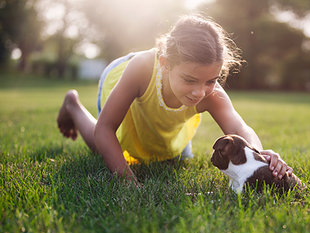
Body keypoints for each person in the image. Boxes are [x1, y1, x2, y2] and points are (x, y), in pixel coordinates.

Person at [57, 15, 293, 185]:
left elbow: (240, 128)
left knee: (168, 156)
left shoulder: (210, 92)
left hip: (168, 109)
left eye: (211, 80)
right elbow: (105, 129)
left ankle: (173, 138)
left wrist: (260, 155)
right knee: (107, 147)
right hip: (127, 82)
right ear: (166, 64)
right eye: (190, 80)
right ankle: (73, 106)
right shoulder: (141, 68)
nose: (200, 92)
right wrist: (128, 181)